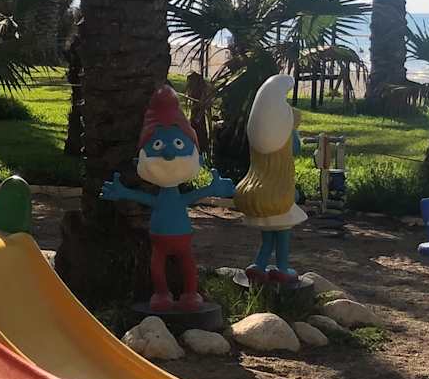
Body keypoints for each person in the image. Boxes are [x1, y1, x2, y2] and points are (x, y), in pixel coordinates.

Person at [100, 84, 233, 310]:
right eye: (158, 145)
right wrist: (122, 192)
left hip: (180, 235)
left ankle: (190, 293)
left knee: (186, 262)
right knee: (158, 264)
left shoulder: (171, 195)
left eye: (178, 144)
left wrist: (213, 188)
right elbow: (147, 199)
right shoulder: (164, 195)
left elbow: (191, 196)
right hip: (160, 236)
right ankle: (162, 293)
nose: (169, 153)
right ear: (138, 161)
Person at [233, 73, 307, 285]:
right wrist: (293, 131)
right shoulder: (285, 138)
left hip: (261, 194)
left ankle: (259, 265)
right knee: (282, 238)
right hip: (281, 196)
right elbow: (297, 149)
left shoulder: (258, 141)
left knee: (267, 240)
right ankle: (282, 268)